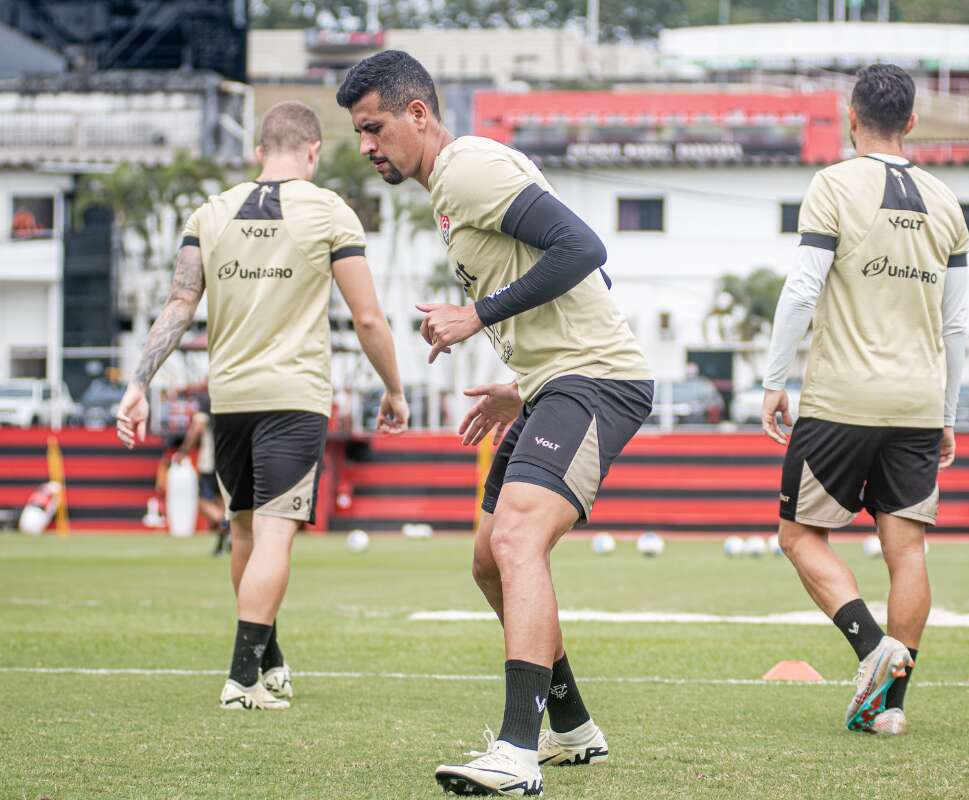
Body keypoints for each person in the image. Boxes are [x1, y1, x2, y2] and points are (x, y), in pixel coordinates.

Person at [338, 51, 653, 795]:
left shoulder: (469, 168)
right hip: (555, 382)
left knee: (517, 538)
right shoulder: (452, 191)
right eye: (358, 132)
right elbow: (588, 280)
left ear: (419, 114)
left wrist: (476, 315)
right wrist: (523, 384)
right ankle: (572, 727)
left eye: (375, 127)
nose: (367, 146)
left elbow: (585, 249)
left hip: (598, 381)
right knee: (489, 560)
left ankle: (516, 752)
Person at [116, 100, 409, 711]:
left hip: (229, 401)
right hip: (293, 399)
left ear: (259, 152)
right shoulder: (331, 211)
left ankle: (268, 660)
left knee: (245, 530)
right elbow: (368, 317)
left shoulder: (211, 212)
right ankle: (241, 679)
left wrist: (138, 383)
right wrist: (395, 389)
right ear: (312, 152)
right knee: (275, 535)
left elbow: (178, 304)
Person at [760, 64, 968, 737]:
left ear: (852, 117)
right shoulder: (947, 201)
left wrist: (774, 379)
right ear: (911, 122)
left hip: (841, 398)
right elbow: (957, 324)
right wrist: (948, 413)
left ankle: (869, 648)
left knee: (799, 535)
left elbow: (800, 292)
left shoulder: (832, 185)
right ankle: (891, 707)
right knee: (906, 551)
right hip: (917, 402)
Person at [173, 390, 231, 555]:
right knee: (223, 503)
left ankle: (225, 523)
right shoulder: (230, 394)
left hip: (212, 462)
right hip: (231, 460)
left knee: (202, 501)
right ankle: (222, 544)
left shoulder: (208, 398)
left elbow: (197, 426)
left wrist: (183, 451)